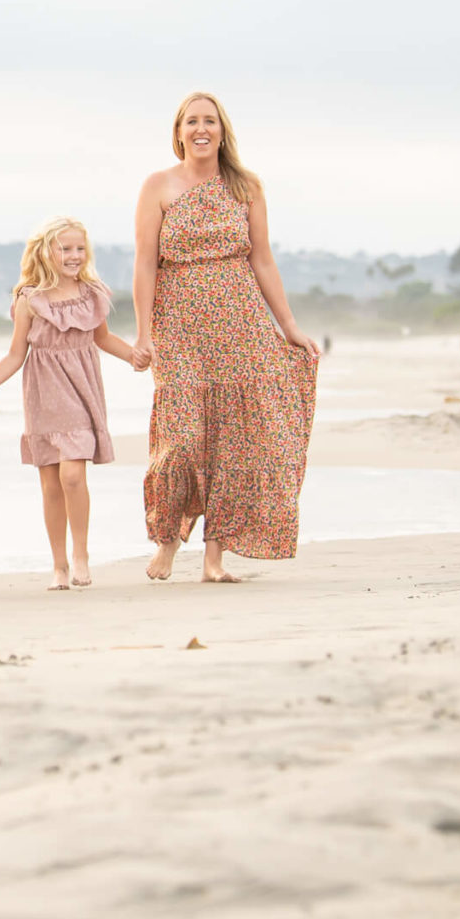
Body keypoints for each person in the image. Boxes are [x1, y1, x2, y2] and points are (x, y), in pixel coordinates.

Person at [132, 91, 319, 583]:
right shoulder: (157, 186)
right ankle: (168, 540)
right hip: (180, 325)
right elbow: (145, 263)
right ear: (178, 132)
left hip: (242, 324)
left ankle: (215, 559)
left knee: (238, 440)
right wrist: (143, 332)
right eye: (191, 121)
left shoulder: (246, 186)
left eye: (209, 121)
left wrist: (290, 327)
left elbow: (262, 259)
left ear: (221, 130)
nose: (201, 129)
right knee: (183, 436)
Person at [0, 216, 145, 590]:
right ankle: (59, 565)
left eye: (80, 248)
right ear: (45, 251)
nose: (74, 255)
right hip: (44, 396)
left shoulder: (92, 292)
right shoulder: (29, 299)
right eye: (65, 248)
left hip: (82, 392)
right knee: (50, 485)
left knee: (72, 475)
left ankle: (81, 556)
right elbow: (16, 355)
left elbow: (104, 339)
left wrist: (133, 356)